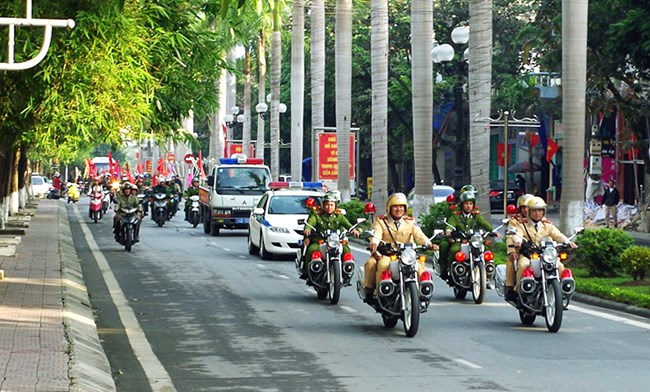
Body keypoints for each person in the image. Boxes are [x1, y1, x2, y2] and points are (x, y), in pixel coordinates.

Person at [362, 192, 438, 304]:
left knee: (419, 267)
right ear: (389, 208)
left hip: (407, 255)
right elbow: (376, 234)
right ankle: (380, 293)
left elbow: (419, 235)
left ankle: (423, 291)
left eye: (401, 206)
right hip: (388, 254)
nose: (399, 209)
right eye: (396, 206)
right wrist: (374, 242)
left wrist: (429, 244)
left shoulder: (410, 222)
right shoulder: (381, 221)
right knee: (382, 265)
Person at [512, 196, 577, 291]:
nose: (537, 213)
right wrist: (518, 241)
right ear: (529, 212)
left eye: (539, 210)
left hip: (545, 255)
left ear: (543, 212)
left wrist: (568, 242)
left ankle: (560, 291)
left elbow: (557, 235)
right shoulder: (522, 225)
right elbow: (517, 234)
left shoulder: (547, 225)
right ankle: (519, 289)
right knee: (523, 265)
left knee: (559, 266)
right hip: (528, 254)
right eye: (534, 211)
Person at [442, 191, 498, 280]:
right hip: (461, 241)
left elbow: (483, 223)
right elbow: (451, 223)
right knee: (454, 250)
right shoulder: (456, 215)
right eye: (466, 204)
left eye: (471, 204)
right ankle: (451, 272)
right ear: (462, 204)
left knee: (487, 252)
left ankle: (487, 273)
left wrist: (493, 231)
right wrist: (449, 230)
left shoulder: (476, 215)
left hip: (474, 240)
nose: (469, 206)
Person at [301, 191, 359, 279]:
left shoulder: (339, 216)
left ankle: (346, 271)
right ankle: (308, 272)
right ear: (323, 205)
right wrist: (307, 229)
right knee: (312, 249)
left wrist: (354, 230)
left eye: (331, 205)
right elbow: (311, 222)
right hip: (320, 241)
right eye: (327, 205)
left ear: (335, 206)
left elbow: (348, 225)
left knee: (346, 250)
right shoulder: (317, 215)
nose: (329, 207)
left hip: (336, 241)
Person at [504, 193, 534, 301]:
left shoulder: (541, 221)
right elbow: (510, 236)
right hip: (521, 251)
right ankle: (511, 288)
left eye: (528, 207)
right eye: (523, 207)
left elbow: (550, 235)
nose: (526, 210)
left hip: (539, 252)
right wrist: (512, 251)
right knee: (514, 262)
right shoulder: (515, 221)